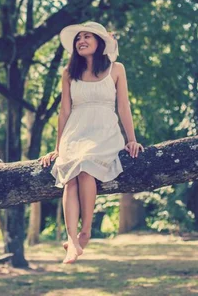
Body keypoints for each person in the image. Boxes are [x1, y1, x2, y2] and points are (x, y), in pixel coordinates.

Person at [38, 21, 144, 264]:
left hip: (104, 132)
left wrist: (132, 140)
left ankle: (85, 232)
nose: (81, 41)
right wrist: (57, 148)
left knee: (85, 168)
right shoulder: (68, 73)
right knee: (70, 176)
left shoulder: (116, 69)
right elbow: (64, 112)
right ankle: (72, 241)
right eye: (78, 38)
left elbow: (123, 106)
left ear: (99, 43)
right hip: (75, 132)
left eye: (87, 37)